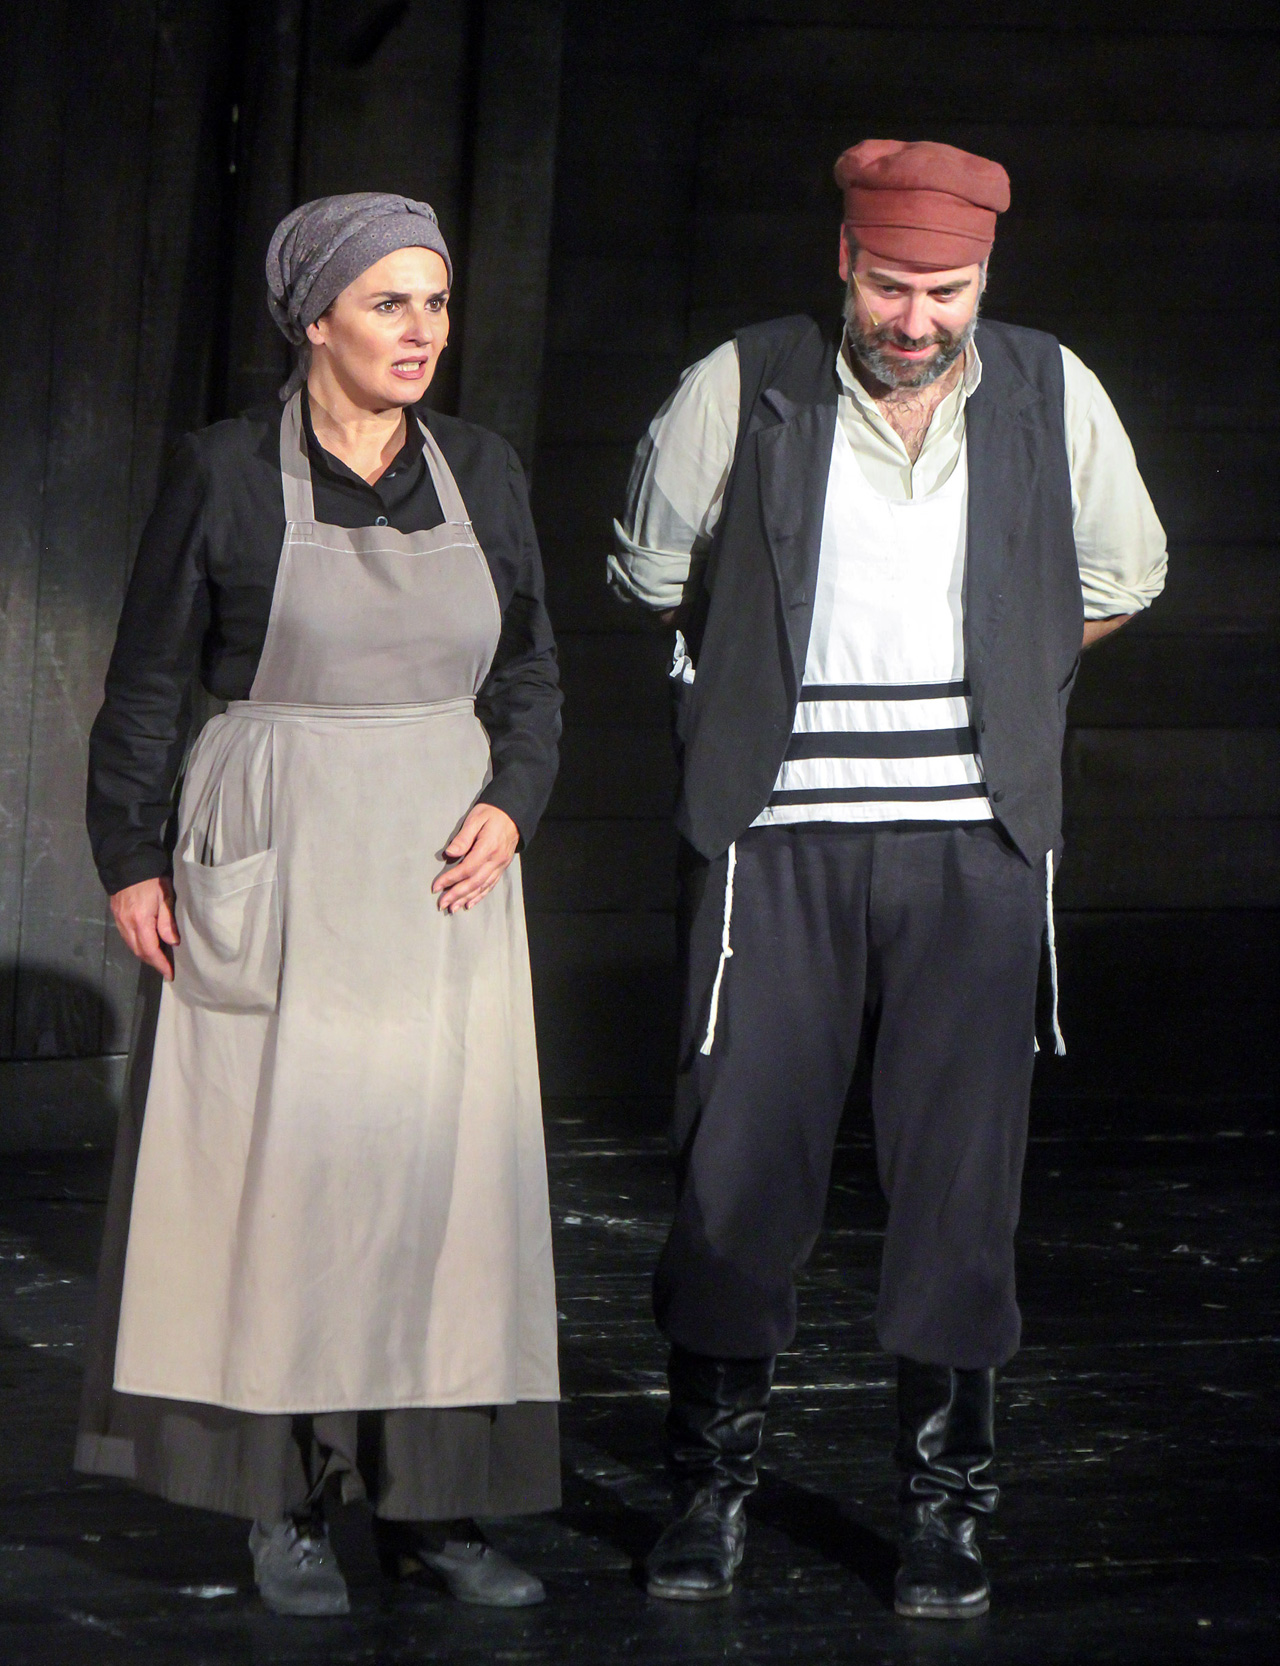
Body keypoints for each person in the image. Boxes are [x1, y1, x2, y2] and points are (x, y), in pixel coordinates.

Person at [610, 140, 1166, 1618]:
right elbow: (650, 572)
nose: (916, 319)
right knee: (738, 1167)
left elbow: (1125, 575)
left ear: (984, 278)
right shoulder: (748, 382)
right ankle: (707, 1490)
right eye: (890, 286)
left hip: (973, 847)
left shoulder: (1050, 389)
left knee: (960, 1185)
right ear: (843, 264)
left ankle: (946, 1510)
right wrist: (756, 676)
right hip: (776, 840)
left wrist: (1006, 664)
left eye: (946, 290)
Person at [78, 193, 563, 1617]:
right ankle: (281, 1504)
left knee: (439, 1181)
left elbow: (531, 671)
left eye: (436, 302)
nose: (423, 331)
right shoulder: (226, 471)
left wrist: (515, 798)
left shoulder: (481, 469)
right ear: (314, 320)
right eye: (388, 303)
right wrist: (130, 856)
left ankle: (433, 1507)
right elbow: (147, 682)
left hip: (440, 868)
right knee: (280, 1178)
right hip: (281, 840)